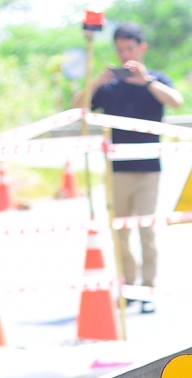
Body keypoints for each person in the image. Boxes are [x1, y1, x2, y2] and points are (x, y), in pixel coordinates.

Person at [75, 22, 182, 312]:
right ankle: (129, 287)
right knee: (119, 233)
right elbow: (77, 110)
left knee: (146, 230)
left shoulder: (156, 80)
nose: (125, 55)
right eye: (120, 50)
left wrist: (146, 81)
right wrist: (96, 81)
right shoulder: (109, 88)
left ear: (141, 48)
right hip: (116, 170)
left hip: (149, 169)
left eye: (130, 49)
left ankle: (149, 290)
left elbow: (177, 102)